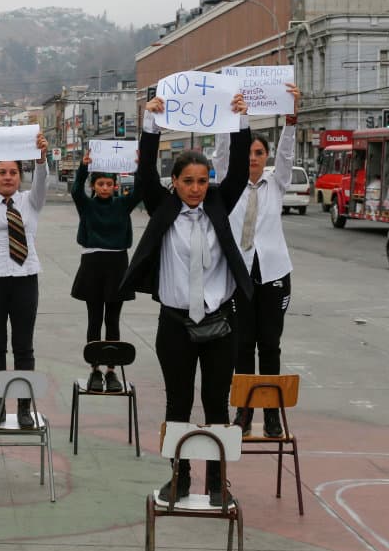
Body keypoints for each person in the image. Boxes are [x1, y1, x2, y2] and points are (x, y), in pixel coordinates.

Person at [120, 93, 253, 506]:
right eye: (187, 181)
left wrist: (239, 121)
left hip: (219, 324)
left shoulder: (219, 201)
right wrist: (150, 124)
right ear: (174, 183)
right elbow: (143, 178)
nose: (195, 189)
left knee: (216, 404)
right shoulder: (164, 208)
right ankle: (178, 477)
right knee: (178, 402)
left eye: (201, 180)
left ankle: (217, 481)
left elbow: (236, 176)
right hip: (175, 324)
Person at [212, 83, 302, 438]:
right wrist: (234, 116)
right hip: (239, 279)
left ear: (266, 157)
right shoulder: (229, 186)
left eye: (259, 153)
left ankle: (273, 414)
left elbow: (287, 156)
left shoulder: (275, 184)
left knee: (270, 345)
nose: (253, 157)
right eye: (249, 151)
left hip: (274, 275)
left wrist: (291, 121)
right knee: (241, 347)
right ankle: (244, 411)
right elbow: (222, 154)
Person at [0, 132, 49, 428]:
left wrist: (41, 158)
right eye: (1, 172)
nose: (7, 177)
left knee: (24, 346)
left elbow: (42, 181)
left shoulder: (31, 201)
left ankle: (25, 407)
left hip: (25, 279)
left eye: (13, 172)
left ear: (20, 175)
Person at [70, 151, 142, 392]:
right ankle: (94, 369)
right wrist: (83, 167)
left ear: (115, 185)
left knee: (112, 320)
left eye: (109, 184)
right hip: (93, 264)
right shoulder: (87, 206)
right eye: (100, 183)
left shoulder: (122, 204)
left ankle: (112, 371)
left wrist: (140, 168)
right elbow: (76, 191)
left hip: (117, 264)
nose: (104, 187)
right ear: (94, 185)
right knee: (94, 319)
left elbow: (140, 191)